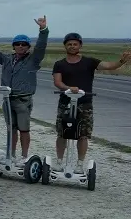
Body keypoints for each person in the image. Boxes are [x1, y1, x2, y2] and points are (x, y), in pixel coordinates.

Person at [51, 33, 130, 171]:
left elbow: (108, 66)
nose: (72, 46)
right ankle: (59, 161)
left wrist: (121, 62)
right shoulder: (59, 64)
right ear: (65, 46)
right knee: (62, 133)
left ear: (80, 45)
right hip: (66, 103)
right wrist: (69, 88)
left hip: (85, 103)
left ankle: (80, 164)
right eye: (69, 44)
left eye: (75, 44)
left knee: (83, 134)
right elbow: (58, 82)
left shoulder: (89, 62)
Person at [0, 16, 49, 164]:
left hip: (23, 100)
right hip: (7, 99)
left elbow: (41, 47)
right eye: (18, 44)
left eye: (24, 44)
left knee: (24, 129)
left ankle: (25, 157)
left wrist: (43, 30)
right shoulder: (7, 59)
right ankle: (11, 155)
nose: (20, 46)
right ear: (13, 46)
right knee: (11, 129)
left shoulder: (33, 60)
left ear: (28, 47)